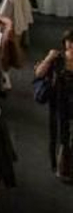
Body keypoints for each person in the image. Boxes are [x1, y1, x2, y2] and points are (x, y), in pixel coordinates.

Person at [32, 29, 73, 181]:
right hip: (59, 102)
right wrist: (48, 58)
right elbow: (39, 74)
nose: (71, 46)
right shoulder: (57, 58)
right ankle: (62, 168)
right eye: (69, 42)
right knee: (60, 135)